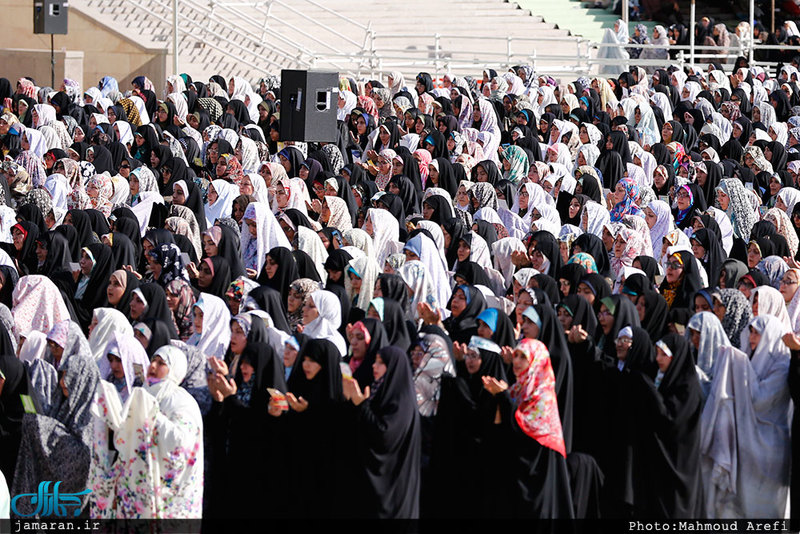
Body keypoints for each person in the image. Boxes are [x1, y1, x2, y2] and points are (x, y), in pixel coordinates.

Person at [89, 345, 203, 518]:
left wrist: (152, 415)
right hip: (139, 489)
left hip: (169, 497)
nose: (153, 366)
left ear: (174, 370)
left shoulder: (181, 401)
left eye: (161, 363)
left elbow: (182, 444)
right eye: (153, 360)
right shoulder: (144, 393)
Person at [342, 345, 421, 518]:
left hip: (394, 489)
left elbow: (384, 436)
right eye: (375, 362)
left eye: (380, 363)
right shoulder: (380, 391)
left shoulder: (402, 401)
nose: (374, 366)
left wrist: (360, 404)